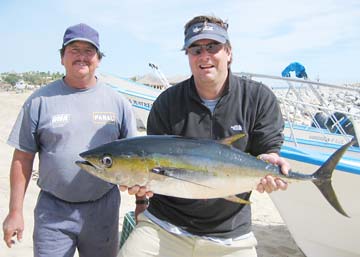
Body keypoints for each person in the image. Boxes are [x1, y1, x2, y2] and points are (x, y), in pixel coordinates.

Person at [119, 15, 290, 257]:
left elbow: (268, 148)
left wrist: (271, 162)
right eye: (196, 49)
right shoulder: (167, 103)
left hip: (231, 235)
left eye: (213, 47)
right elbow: (151, 164)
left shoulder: (257, 98)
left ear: (229, 52)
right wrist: (140, 201)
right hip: (165, 226)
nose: (204, 55)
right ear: (188, 56)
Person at [2, 23, 138, 257]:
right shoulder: (39, 101)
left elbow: (137, 159)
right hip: (53, 211)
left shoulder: (118, 102)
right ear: (62, 57)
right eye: (74, 50)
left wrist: (142, 205)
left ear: (99, 59)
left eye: (89, 51)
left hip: (103, 209)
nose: (82, 57)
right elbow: (22, 158)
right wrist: (15, 211)